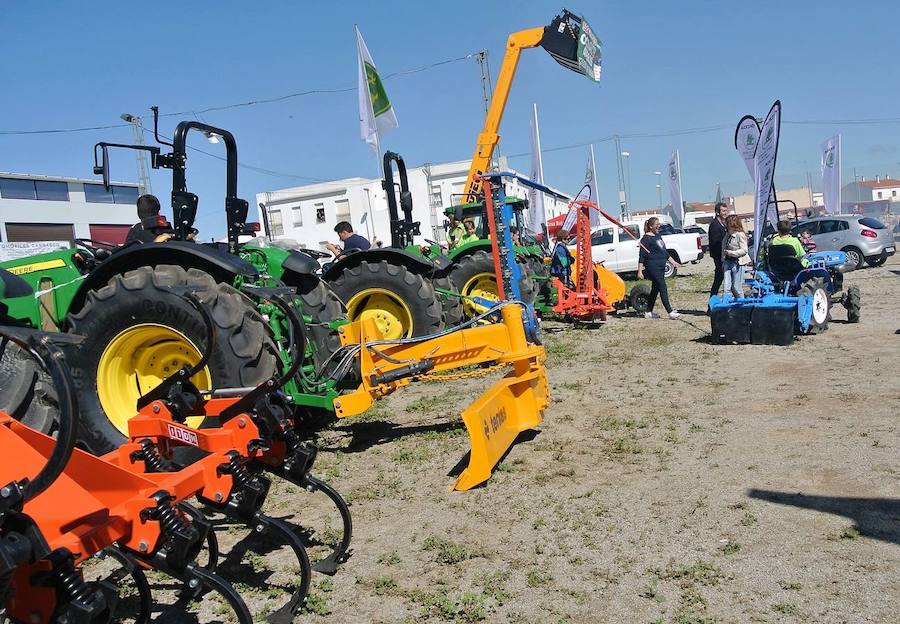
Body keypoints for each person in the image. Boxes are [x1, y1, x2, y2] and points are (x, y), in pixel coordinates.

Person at [637, 217, 681, 319]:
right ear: (650, 226)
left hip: (661, 266)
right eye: (657, 224)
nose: (659, 226)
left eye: (659, 224)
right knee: (662, 287)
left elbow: (664, 252)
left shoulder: (658, 236)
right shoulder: (645, 239)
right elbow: (641, 256)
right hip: (653, 267)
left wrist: (673, 262)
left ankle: (648, 312)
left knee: (655, 289)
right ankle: (670, 312)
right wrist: (640, 271)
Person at [721, 215, 750, 300]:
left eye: (727, 223)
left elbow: (744, 250)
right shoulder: (727, 235)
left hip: (738, 262)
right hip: (727, 261)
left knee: (736, 286)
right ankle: (726, 303)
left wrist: (732, 253)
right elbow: (723, 247)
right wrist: (723, 260)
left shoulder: (740, 235)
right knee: (726, 285)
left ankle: (742, 303)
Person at [707, 202, 728, 298]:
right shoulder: (715, 225)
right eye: (723, 211)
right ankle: (712, 302)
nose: (725, 213)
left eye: (726, 210)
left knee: (725, 278)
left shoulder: (724, 224)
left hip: (725, 256)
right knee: (719, 279)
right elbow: (716, 242)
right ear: (717, 212)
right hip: (719, 256)